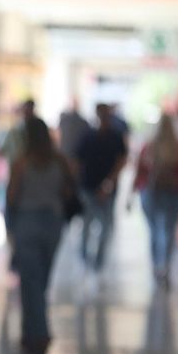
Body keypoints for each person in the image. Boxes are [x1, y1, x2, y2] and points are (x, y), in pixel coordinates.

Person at [6, 117, 76, 354]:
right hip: (53, 224)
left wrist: (11, 228)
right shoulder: (60, 162)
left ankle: (41, 333)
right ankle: (30, 332)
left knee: (31, 281)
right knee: (40, 280)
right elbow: (68, 191)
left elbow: (12, 197)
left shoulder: (22, 163)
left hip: (28, 222)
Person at [133, 114, 178, 286]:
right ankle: (164, 265)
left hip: (151, 193)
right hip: (174, 193)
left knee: (155, 230)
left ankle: (156, 265)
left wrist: (133, 191)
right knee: (168, 230)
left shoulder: (149, 146)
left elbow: (139, 171)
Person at [75, 103, 128, 272]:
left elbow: (122, 160)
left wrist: (109, 182)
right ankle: (85, 258)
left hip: (107, 189)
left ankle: (98, 260)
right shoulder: (88, 136)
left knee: (105, 226)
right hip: (88, 187)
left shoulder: (115, 137)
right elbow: (77, 161)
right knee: (87, 224)